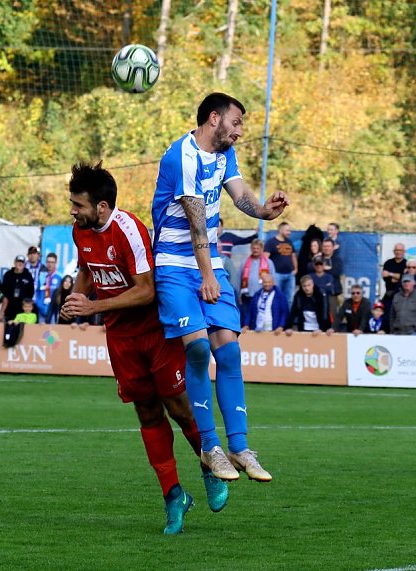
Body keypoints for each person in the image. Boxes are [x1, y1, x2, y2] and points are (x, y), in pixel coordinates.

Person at [63, 161, 229, 534]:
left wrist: (93, 306)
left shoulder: (130, 230)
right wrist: (77, 296)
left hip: (155, 332)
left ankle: (210, 466)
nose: (73, 210)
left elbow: (146, 290)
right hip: (120, 339)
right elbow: (89, 269)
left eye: (78, 204)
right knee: (147, 413)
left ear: (102, 207)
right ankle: (174, 496)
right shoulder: (80, 231)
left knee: (179, 407)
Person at [152, 92, 287, 484]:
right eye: (237, 122)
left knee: (228, 351)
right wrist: (208, 275)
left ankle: (240, 447)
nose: (240, 131)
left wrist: (263, 210)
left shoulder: (223, 153)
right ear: (215, 119)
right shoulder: (183, 156)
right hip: (177, 267)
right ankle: (210, 447)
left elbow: (240, 194)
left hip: (207, 263)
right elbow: (196, 225)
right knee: (197, 349)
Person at [238, 239, 275, 325]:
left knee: (259, 321)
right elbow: (238, 279)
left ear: (262, 249)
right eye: (253, 248)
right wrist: (239, 294)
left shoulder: (269, 263)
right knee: (246, 320)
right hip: (247, 296)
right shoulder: (244, 262)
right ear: (251, 249)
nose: (255, 250)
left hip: (262, 297)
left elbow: (273, 279)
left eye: (258, 248)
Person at [264, 222, 297, 305]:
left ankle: (287, 317)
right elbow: (265, 258)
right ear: (280, 230)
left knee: (289, 299)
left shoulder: (289, 242)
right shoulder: (271, 242)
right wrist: (268, 274)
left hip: (290, 274)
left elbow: (293, 256)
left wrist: (296, 269)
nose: (289, 232)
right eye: (287, 230)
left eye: (290, 230)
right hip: (276, 275)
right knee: (276, 297)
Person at [1, 255, 35, 321]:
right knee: (9, 328)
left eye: (22, 262)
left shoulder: (28, 275)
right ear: (14, 262)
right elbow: (4, 292)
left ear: (24, 264)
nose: (20, 264)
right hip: (9, 309)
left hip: (23, 310)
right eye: (18, 262)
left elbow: (31, 292)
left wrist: (26, 306)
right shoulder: (8, 275)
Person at [36, 253, 61, 322]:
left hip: (53, 311)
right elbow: (37, 292)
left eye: (52, 262)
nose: (50, 264)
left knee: (53, 332)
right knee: (41, 332)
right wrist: (39, 305)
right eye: (48, 262)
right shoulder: (41, 277)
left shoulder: (60, 277)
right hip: (41, 311)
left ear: (55, 263)